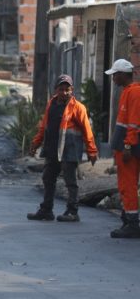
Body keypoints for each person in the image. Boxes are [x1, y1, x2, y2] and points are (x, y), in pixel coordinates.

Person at [27, 75, 98, 222]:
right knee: (48, 178)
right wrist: (36, 143)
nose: (64, 92)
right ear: (56, 90)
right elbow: (44, 127)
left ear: (72, 90)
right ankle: (46, 210)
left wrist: (92, 151)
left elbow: (87, 131)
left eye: (67, 89)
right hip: (52, 149)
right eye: (61, 89)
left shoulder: (78, 107)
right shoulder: (51, 104)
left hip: (70, 151)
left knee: (70, 181)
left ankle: (72, 212)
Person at [105, 59, 140, 238]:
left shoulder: (134, 93)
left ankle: (133, 224)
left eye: (115, 75)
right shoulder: (128, 92)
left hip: (129, 149)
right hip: (125, 148)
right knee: (126, 185)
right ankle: (128, 220)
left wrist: (127, 145)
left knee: (128, 185)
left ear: (123, 75)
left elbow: (133, 123)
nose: (113, 79)